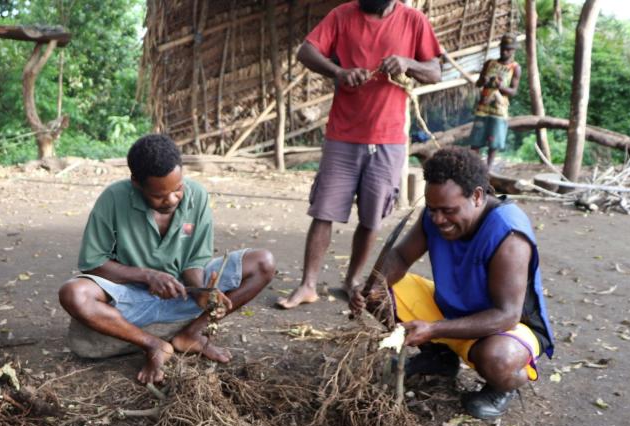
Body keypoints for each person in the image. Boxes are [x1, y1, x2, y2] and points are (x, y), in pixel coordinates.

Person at [350, 147, 555, 419]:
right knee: (380, 293)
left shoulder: (509, 233)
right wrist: (371, 288)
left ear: (478, 196)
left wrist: (434, 328)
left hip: (504, 328)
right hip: (450, 311)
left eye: (448, 211)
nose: (438, 220)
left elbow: (506, 315)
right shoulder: (435, 214)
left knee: (499, 359)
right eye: (432, 209)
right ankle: (440, 357)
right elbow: (399, 256)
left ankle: (503, 385)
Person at [58, 134, 275, 385]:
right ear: (137, 184)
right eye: (159, 196)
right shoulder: (114, 199)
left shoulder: (197, 195)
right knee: (73, 293)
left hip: (182, 292)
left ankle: (192, 333)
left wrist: (202, 291)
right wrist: (147, 276)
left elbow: (195, 259)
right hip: (131, 299)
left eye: (177, 189)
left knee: (263, 262)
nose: (172, 199)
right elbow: (93, 262)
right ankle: (154, 344)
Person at [277, 0, 442, 310]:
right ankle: (308, 284)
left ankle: (352, 280)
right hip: (343, 134)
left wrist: (408, 63)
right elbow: (306, 51)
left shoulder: (414, 21)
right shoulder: (342, 15)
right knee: (324, 211)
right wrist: (337, 71)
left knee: (372, 215)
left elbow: (434, 71)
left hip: (389, 138)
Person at [469, 34, 522, 168]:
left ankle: (489, 169)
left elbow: (514, 92)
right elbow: (478, 84)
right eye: (503, 49)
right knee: (476, 141)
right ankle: (475, 167)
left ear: (513, 50)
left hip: (499, 110)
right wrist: (484, 81)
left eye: (508, 49)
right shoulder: (490, 63)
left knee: (494, 143)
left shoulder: (515, 68)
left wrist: (500, 87)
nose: (505, 52)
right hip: (483, 108)